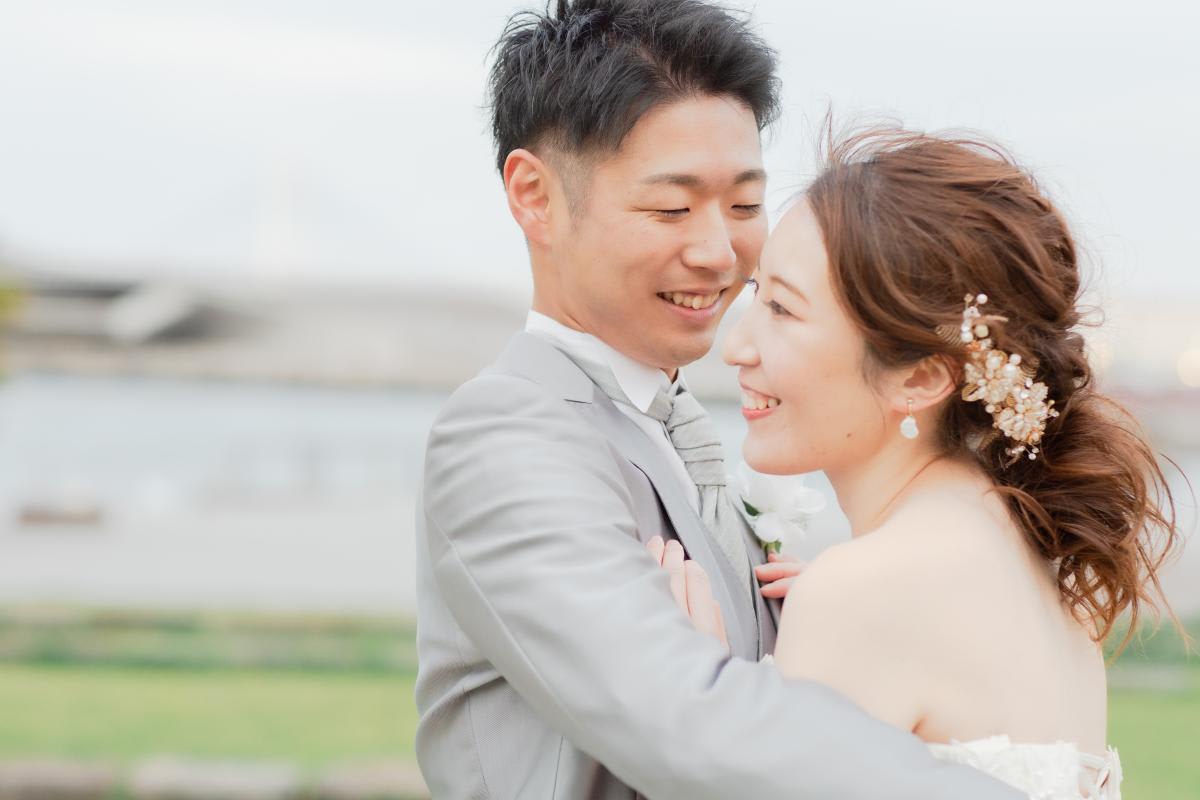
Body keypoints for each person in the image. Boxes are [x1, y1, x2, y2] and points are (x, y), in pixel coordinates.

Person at [413, 1, 1023, 797]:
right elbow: (690, 722)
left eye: (743, 207)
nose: (718, 252)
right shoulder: (505, 435)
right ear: (535, 196)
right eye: (671, 208)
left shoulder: (693, 436)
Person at [664, 126, 1184, 799]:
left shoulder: (867, 590)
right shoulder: (1031, 560)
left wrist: (702, 698)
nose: (737, 347)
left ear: (921, 378)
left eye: (783, 309)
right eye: (757, 294)